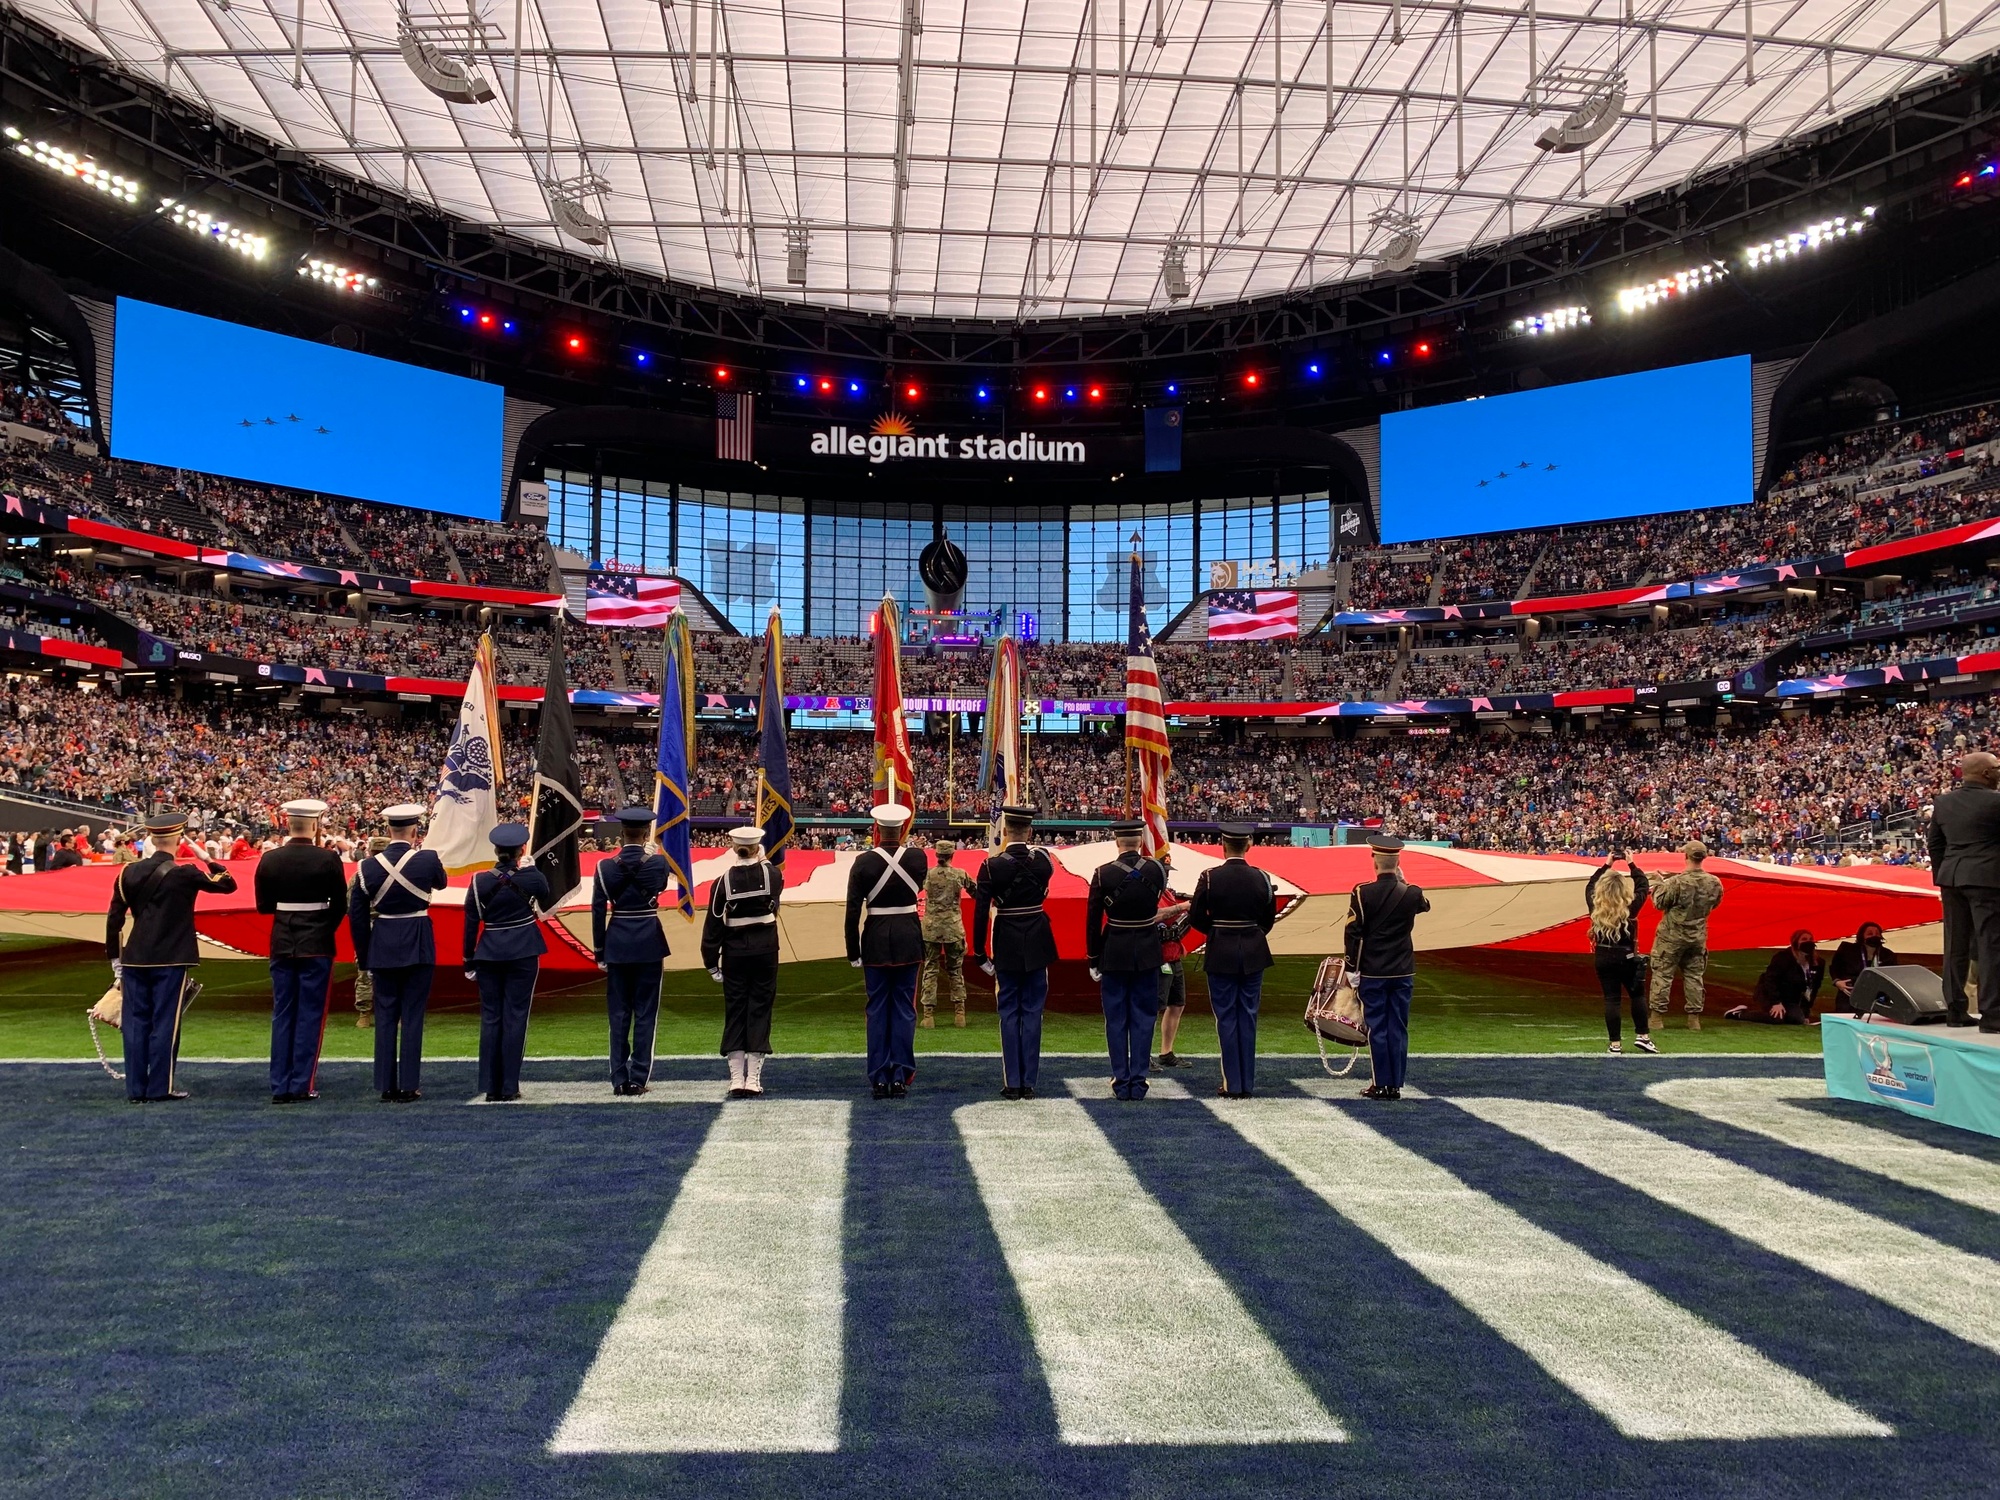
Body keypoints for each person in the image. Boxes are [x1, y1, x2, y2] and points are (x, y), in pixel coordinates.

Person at [105, 810, 237, 1103]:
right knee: (165, 1022)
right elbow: (227, 884)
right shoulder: (185, 873)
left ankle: (136, 1089)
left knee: (136, 1023)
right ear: (178, 839)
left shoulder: (127, 872)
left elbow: (114, 919)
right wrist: (206, 857)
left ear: (151, 838)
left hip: (135, 957)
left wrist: (115, 960)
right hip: (171, 958)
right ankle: (160, 1087)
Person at [348, 803, 449, 1102]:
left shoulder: (366, 867)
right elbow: (440, 883)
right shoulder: (428, 858)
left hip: (383, 942)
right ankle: (409, 1084)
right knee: (413, 1015)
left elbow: (356, 916)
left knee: (386, 1014)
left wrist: (365, 956)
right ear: (415, 830)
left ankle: (385, 1085)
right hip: (417, 939)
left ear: (388, 830)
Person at [255, 797, 349, 1105]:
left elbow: (264, 906)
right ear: (315, 825)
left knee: (283, 1013)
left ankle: (280, 1084)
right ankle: (300, 1083)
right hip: (316, 943)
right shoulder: (327, 859)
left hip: (282, 940)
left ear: (288, 823)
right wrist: (320, 927)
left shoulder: (269, 859)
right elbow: (340, 905)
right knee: (310, 1015)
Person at [972, 804, 1058, 1100]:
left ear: (1005, 831)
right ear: (1029, 831)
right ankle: (1029, 1083)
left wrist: (979, 952)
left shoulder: (991, 866)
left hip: (1006, 940)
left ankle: (1013, 1082)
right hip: (1037, 940)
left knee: (1009, 1012)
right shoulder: (1044, 861)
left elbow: (981, 912)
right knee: (1033, 1013)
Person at [844, 803, 928, 1098]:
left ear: (876, 829)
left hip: (876, 940)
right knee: (905, 1009)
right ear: (903, 828)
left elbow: (853, 910)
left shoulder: (864, 861)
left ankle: (879, 1077)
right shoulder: (918, 858)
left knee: (877, 1010)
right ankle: (901, 1075)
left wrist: (852, 950)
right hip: (907, 938)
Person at [464, 822, 552, 1102]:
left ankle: (491, 1085)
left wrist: (468, 960)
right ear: (521, 850)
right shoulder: (531, 877)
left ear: (496, 850)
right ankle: (509, 1085)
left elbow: (470, 922)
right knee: (516, 1016)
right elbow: (546, 894)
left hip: (488, 952)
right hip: (523, 950)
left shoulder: (479, 881)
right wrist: (531, 869)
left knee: (491, 1018)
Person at [1189, 824, 1278, 1098]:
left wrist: (1217, 931)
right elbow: (1268, 919)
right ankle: (1246, 1084)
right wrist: (1249, 933)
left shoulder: (1210, 877)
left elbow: (1195, 916)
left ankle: (1233, 1083)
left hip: (1221, 952)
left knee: (1226, 1017)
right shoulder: (1261, 877)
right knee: (1248, 1017)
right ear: (1248, 845)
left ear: (1223, 846)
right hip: (1253, 951)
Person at [1085, 821, 1170, 1101]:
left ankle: (1121, 1079)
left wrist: (1093, 957)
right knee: (1145, 1017)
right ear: (1140, 840)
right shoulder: (1158, 869)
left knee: (1116, 1018)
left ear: (1117, 842)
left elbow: (1093, 920)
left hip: (1115, 950)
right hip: (1146, 950)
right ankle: (1139, 1079)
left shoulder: (1102, 873)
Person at [1342, 834, 1430, 1101]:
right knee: (1398, 1027)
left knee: (1378, 1027)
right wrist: (1402, 882)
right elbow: (1424, 906)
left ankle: (1381, 1084)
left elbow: (1353, 933)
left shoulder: (1362, 892)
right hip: (1403, 970)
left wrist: (1350, 968)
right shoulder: (1412, 893)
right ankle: (1396, 1083)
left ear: (1374, 862)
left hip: (1373, 971)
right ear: (1398, 862)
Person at [591, 807, 671, 1097]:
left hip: (617, 942)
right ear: (644, 833)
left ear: (622, 833)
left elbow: (598, 910)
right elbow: (660, 885)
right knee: (646, 1013)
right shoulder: (659, 864)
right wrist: (651, 858)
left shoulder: (604, 867)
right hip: (648, 940)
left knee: (619, 1014)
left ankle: (618, 1078)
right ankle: (638, 1078)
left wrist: (599, 950)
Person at [701, 825, 785, 1097]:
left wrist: (711, 961)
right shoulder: (772, 874)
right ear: (758, 847)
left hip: (735, 953)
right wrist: (762, 860)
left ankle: (736, 1079)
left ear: (734, 848)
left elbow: (713, 924)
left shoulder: (722, 881)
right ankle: (754, 1080)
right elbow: (775, 888)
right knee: (760, 1008)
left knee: (735, 1009)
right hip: (765, 952)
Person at [1926, 750, 2000, 1030]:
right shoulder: (1996, 802)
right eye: (1996, 767)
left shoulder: (1944, 802)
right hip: (1988, 880)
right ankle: (1993, 1014)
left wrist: (1943, 876)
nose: (1998, 771)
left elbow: (1935, 844)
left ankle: (1955, 1011)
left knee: (1955, 945)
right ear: (1985, 773)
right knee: (1990, 945)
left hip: (1952, 879)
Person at [1647, 841, 1725, 1030]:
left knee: (1663, 975)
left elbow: (1659, 902)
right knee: (1694, 977)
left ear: (1686, 856)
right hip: (1697, 937)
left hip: (1671, 937)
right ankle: (1693, 1019)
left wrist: (1658, 882)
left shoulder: (1677, 882)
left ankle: (1656, 1018)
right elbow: (1714, 904)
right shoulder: (1714, 882)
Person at [1586, 853, 1656, 1055]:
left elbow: (1590, 884)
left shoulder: (1595, 905)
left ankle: (1615, 1044)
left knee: (1612, 999)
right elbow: (1643, 885)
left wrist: (1607, 864)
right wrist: (1631, 862)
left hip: (1603, 955)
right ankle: (1643, 1037)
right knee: (1637, 995)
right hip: (1626, 955)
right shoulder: (1630, 907)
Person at [918, 840, 977, 1029]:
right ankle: (960, 1014)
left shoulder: (927, 875)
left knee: (930, 969)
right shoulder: (960, 874)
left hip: (931, 929)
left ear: (936, 855)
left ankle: (928, 1016)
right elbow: (977, 892)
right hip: (953, 928)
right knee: (955, 970)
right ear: (952, 854)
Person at [1727, 931, 1825, 1023]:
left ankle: (1784, 1013)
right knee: (1777, 1018)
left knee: (1797, 1019)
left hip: (1790, 998)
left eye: (1810, 939)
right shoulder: (1783, 957)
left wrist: (1805, 1012)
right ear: (1795, 942)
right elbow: (1770, 980)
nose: (1808, 942)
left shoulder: (1818, 963)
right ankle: (1740, 1014)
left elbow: (1813, 988)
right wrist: (1776, 1002)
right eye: (1804, 939)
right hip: (1769, 994)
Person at [1154, 850, 1193, 1068]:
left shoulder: (1167, 892)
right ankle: (1144, 1053)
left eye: (1167, 872)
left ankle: (1166, 1052)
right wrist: (1180, 907)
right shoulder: (1150, 893)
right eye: (1163, 871)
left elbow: (1172, 925)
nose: (1166, 876)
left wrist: (1179, 944)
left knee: (1177, 1004)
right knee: (1152, 1007)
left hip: (1173, 954)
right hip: (1158, 957)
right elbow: (1155, 916)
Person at [1829, 921, 1900, 1014]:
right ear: (1862, 936)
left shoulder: (1888, 955)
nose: (1874, 936)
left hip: (1876, 997)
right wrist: (1837, 982)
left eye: (1877, 934)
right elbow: (1834, 967)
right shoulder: (1847, 950)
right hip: (1850, 996)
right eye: (1870, 933)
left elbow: (1893, 975)